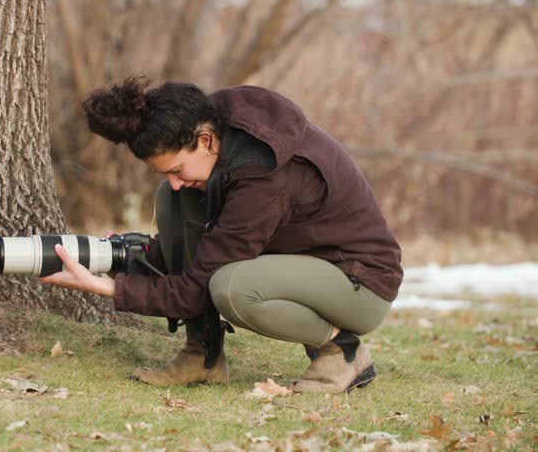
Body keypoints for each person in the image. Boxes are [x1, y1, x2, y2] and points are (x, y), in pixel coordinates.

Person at [39, 74, 403, 394]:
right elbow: (204, 250)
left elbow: (200, 284)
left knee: (232, 287)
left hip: (359, 282)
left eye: (178, 168)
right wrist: (135, 258)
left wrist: (112, 288)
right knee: (173, 199)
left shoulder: (265, 179)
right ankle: (204, 355)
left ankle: (342, 351)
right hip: (301, 264)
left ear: (206, 139)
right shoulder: (215, 129)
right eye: (163, 171)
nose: (175, 180)